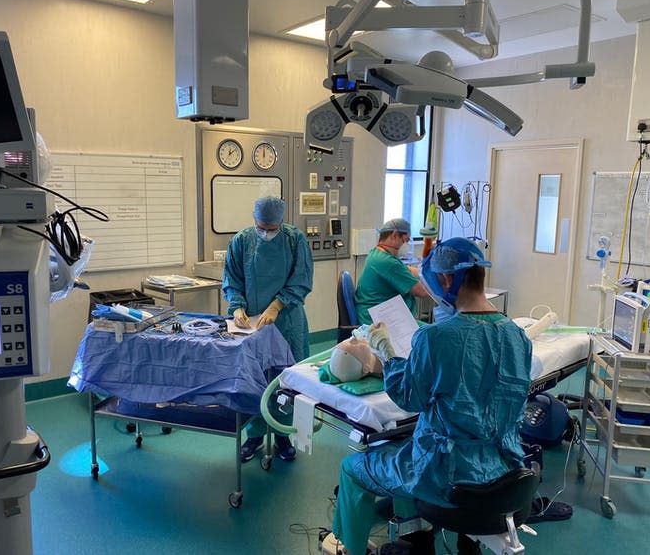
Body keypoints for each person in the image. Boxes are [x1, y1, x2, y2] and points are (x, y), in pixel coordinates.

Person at [332, 237, 533, 555]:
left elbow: (408, 397)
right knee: (402, 449)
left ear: (446, 279)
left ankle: (350, 549)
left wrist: (387, 352)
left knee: (353, 467)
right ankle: (417, 538)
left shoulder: (436, 337)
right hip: (504, 467)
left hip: (445, 473)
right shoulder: (518, 337)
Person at [222, 195, 314, 463]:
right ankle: (255, 435)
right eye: (261, 228)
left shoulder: (294, 240)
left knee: (287, 378)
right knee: (255, 377)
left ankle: (284, 434)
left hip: (287, 322)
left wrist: (277, 306)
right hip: (252, 325)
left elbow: (302, 278)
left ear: (281, 223)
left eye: (271, 230)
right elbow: (232, 278)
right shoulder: (241, 241)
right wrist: (237, 307)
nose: (265, 234)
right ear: (254, 220)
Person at [354, 217, 431, 325]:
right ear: (394, 235)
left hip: (376, 311)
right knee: (432, 333)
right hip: (377, 319)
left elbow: (406, 269)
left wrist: (422, 271)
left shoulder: (377, 253)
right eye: (406, 240)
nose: (406, 245)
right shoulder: (387, 262)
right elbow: (421, 291)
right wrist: (443, 285)